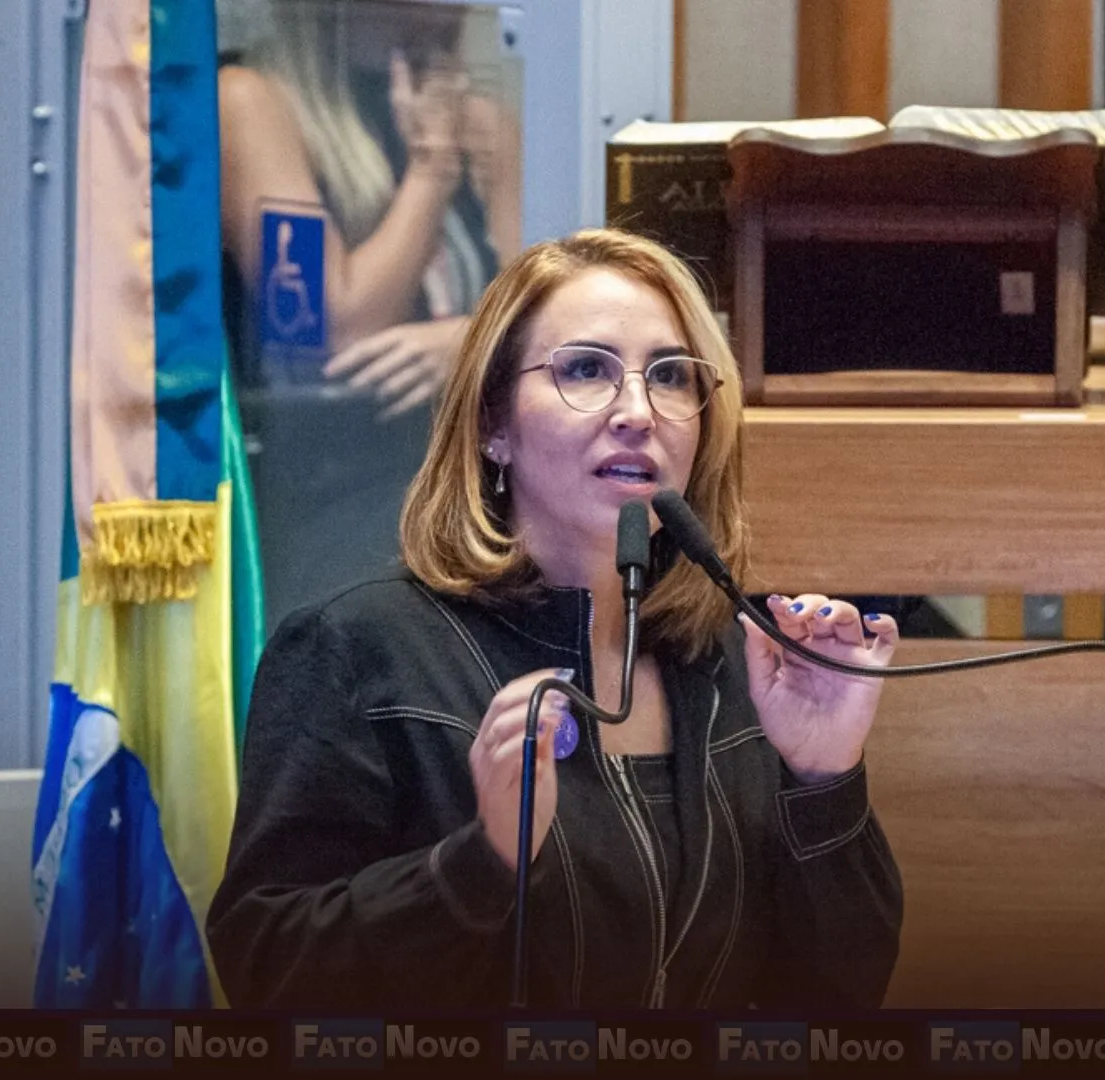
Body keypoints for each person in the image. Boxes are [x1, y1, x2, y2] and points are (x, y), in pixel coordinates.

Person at [208, 229, 904, 1010]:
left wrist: (824, 779)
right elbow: (269, 972)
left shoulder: (737, 661)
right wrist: (482, 864)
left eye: (671, 377)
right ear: (491, 426)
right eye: (585, 370)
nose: (638, 411)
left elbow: (840, 997)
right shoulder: (360, 651)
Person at [218, 0, 521, 619]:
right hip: (323, 488)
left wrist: (468, 342)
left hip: (470, 486)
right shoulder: (249, 100)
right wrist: (433, 171)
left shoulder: (484, 124)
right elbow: (325, 329)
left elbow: (548, 310)